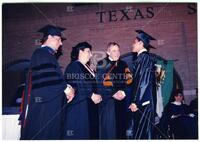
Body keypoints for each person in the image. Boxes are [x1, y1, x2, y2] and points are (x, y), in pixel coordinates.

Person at [20, 25, 75, 140]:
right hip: (45, 110)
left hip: (49, 108)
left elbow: (52, 78)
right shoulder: (41, 54)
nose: (61, 43)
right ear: (49, 37)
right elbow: (48, 82)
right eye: (59, 39)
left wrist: (67, 87)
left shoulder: (47, 55)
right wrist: (66, 89)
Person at [63, 42, 102, 139]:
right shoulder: (74, 66)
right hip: (80, 107)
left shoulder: (87, 67)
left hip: (90, 106)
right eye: (88, 51)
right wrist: (91, 95)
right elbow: (77, 85)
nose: (91, 54)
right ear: (80, 52)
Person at [96, 42, 133, 139]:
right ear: (108, 52)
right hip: (109, 102)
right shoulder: (102, 64)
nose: (117, 53)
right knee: (110, 131)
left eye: (118, 50)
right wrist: (113, 93)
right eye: (114, 51)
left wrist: (124, 92)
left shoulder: (123, 64)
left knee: (121, 129)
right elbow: (100, 84)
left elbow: (129, 81)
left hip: (122, 102)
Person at [128, 30, 157, 139]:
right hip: (145, 102)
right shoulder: (145, 58)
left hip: (143, 104)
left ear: (141, 43)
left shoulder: (143, 58)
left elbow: (143, 82)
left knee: (141, 133)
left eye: (134, 42)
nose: (132, 44)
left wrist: (136, 102)